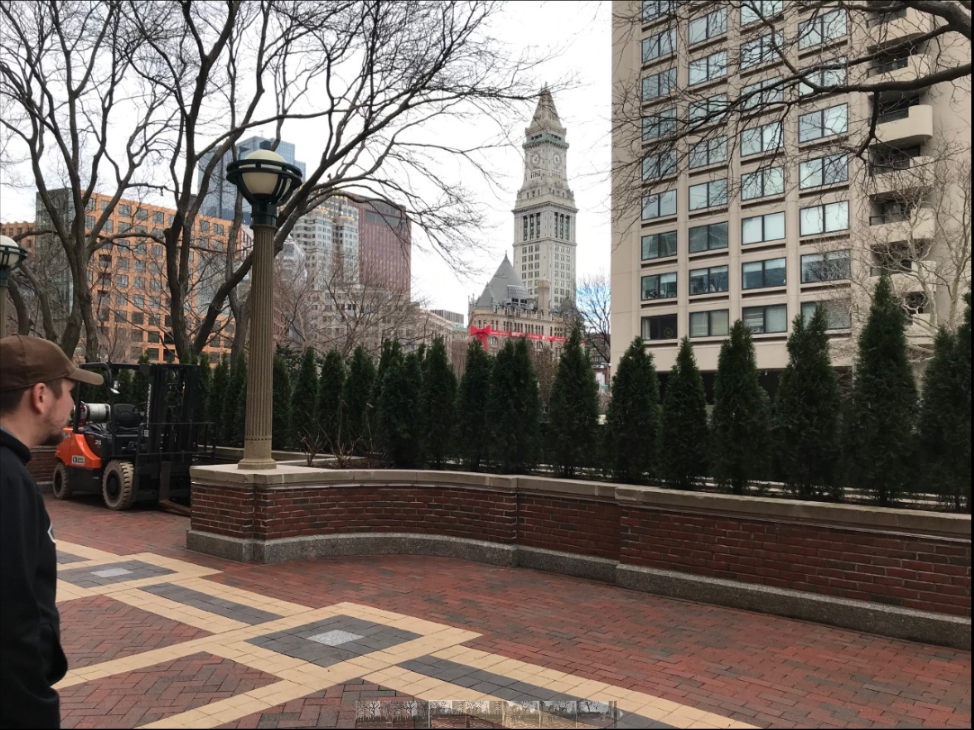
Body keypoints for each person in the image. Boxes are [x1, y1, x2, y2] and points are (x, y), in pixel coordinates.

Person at [1, 335, 103, 729]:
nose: (75, 406)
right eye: (70, 392)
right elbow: (11, 622)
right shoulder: (9, 482)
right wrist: (36, 711)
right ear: (40, 396)